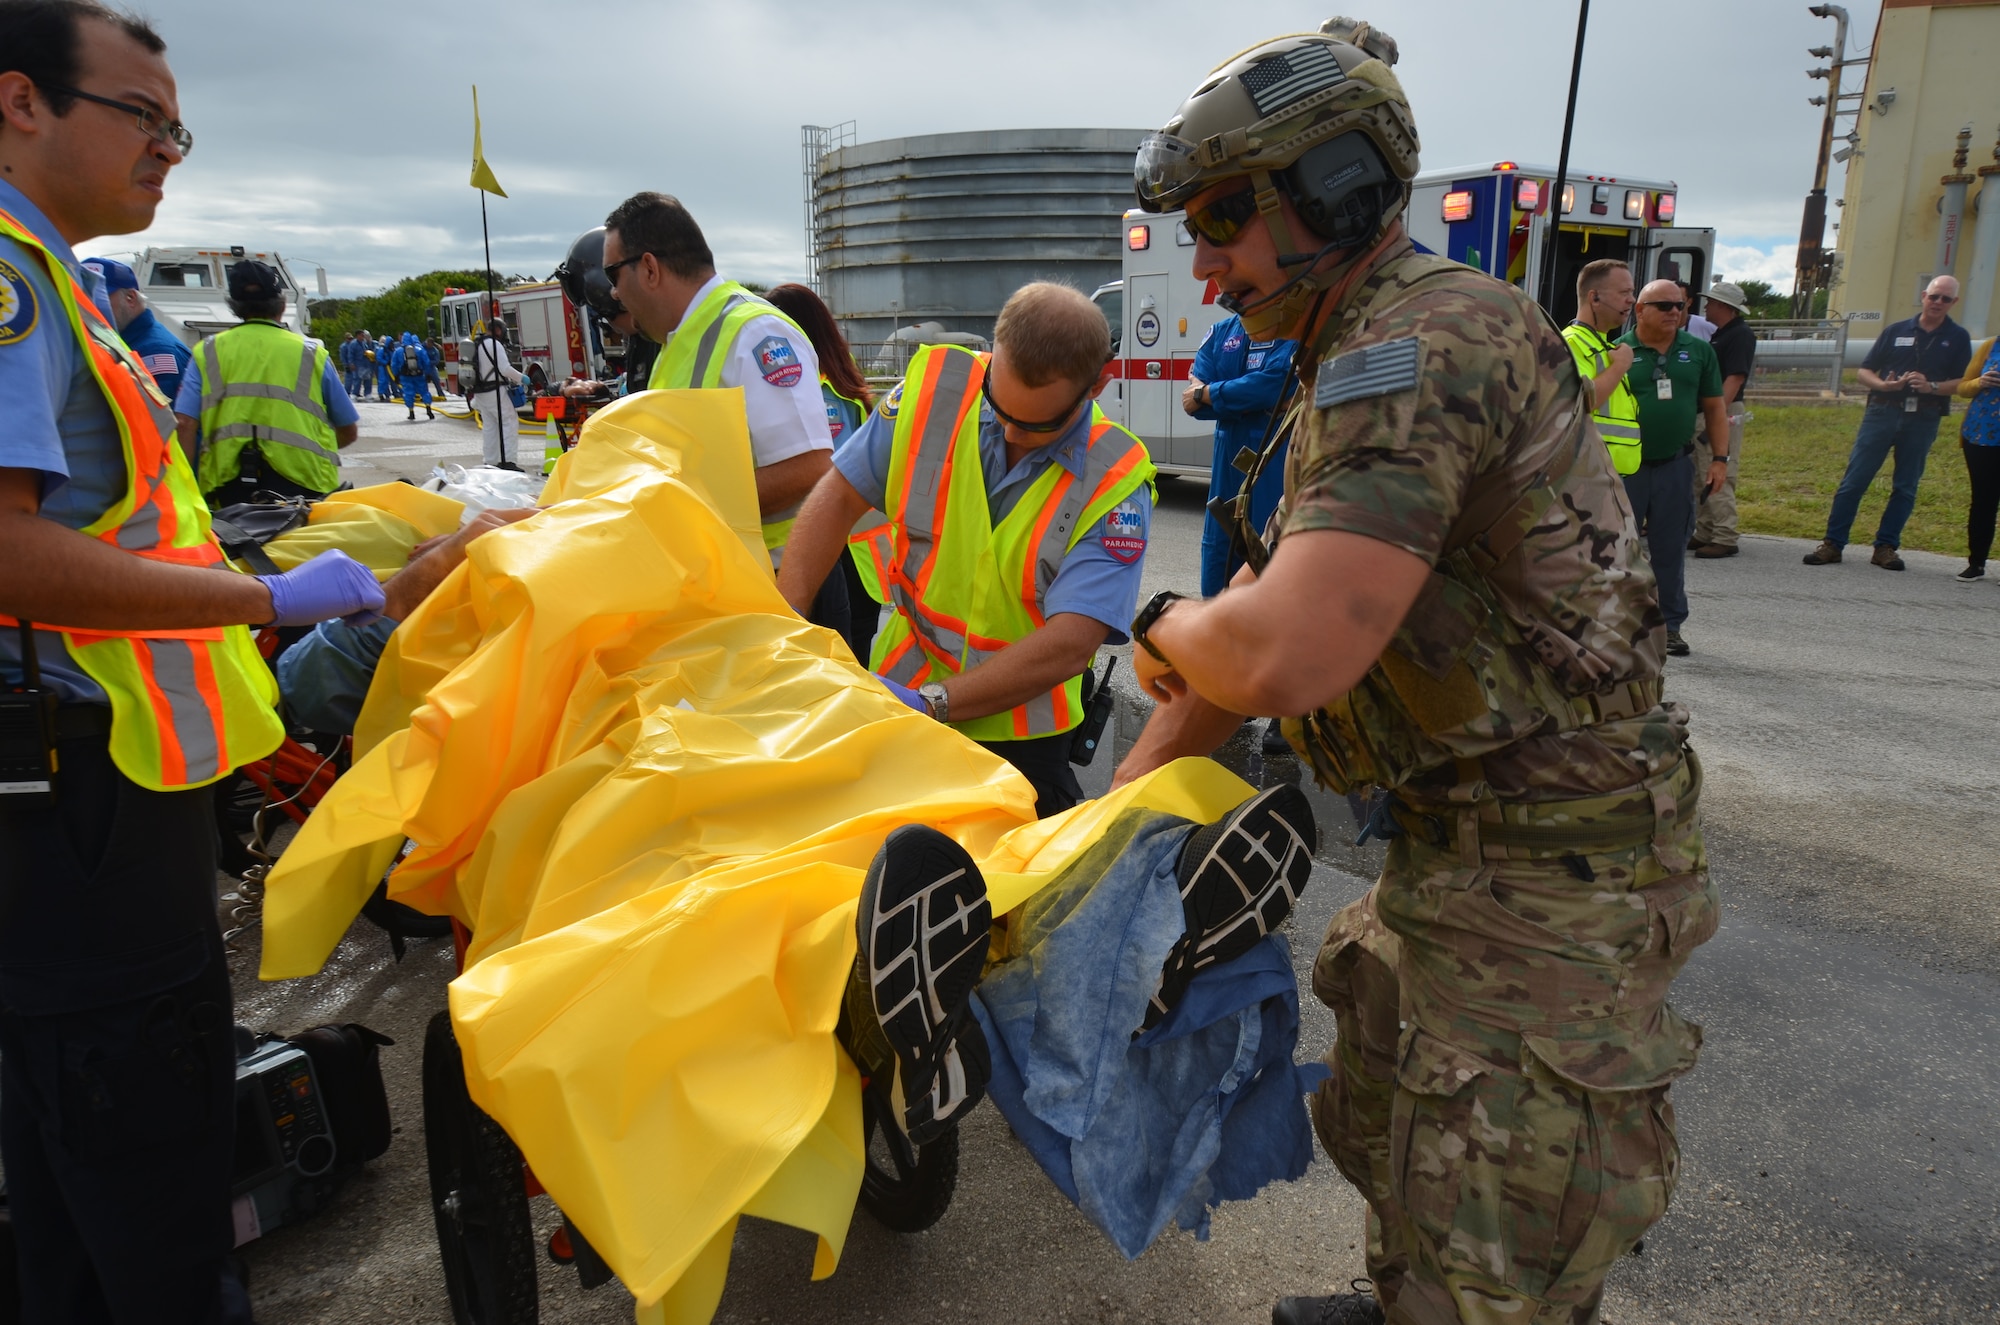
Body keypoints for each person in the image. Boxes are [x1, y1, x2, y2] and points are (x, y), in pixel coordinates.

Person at [1115, 18, 1717, 1323]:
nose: (1202, 260)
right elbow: (1262, 638)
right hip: (1463, 843)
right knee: (1397, 1118)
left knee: (1500, 1216)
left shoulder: (1422, 345)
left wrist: (1159, 617)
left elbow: (1280, 644)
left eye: (1223, 216)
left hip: (1556, 868)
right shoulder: (1352, 348)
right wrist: (1110, 825)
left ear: (1332, 192)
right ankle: (1404, 1295)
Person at [0, 5, 386, 1320]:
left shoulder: (60, 290)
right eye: (144, 116)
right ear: (22, 103)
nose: (171, 149)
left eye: (182, 127)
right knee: (157, 1190)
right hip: (83, 807)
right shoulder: (10, 285)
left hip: (90, 796)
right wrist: (259, 599)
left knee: (69, 1190)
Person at [777, 281, 1156, 819]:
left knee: (1018, 887)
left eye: (1037, 424)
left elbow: (1072, 641)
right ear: (993, 356)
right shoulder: (938, 391)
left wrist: (939, 702)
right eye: (997, 405)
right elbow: (837, 496)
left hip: (1019, 738)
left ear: (1099, 384)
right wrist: (786, 622)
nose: (1007, 431)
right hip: (901, 694)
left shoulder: (1115, 481)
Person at [601, 192, 845, 630]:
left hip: (782, 588)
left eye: (613, 275)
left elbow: (810, 466)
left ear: (650, 268)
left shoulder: (754, 333)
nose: (614, 292)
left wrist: (681, 509)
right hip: (727, 584)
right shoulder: (677, 344)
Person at [1803, 275, 1974, 571]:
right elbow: (1864, 371)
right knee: (1854, 481)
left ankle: (1885, 547)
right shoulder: (1896, 330)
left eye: (1945, 299)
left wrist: (1931, 386)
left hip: (1923, 416)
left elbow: (1962, 381)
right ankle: (1832, 544)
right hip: (1882, 411)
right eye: (1934, 296)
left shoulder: (1958, 338)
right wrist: (1884, 385)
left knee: (1906, 485)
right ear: (1923, 295)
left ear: (1954, 302)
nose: (1938, 303)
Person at [763, 280, 884, 663]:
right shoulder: (847, 388)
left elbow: (829, 474)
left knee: (838, 658)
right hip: (858, 551)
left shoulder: (825, 395)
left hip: (834, 546)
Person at [172, 257, 358, 503]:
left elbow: (184, 423)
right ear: (281, 305)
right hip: (304, 488)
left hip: (227, 487)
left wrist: (186, 489)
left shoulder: (206, 351)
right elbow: (348, 430)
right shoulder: (311, 353)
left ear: (234, 306)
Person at [1619, 277, 1729, 656]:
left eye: (1679, 306)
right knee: (1619, 550)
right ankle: (1620, 624)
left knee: (1670, 550)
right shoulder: (1618, 350)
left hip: (1675, 467)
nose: (1674, 312)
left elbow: (1715, 407)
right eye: (1664, 306)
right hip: (1624, 470)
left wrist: (1719, 459)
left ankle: (1669, 626)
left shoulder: (1698, 351)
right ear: (1640, 311)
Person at [1185, 310, 1296, 597]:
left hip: (1275, 457)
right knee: (1218, 559)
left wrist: (1210, 394)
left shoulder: (1291, 326)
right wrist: (1253, 399)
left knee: (1269, 554)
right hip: (1227, 464)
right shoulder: (1221, 332)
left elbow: (1279, 382)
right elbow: (1193, 404)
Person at [1690, 280, 1756, 559]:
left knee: (1718, 472)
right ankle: (1705, 531)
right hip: (1713, 408)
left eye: (1711, 302)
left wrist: (1714, 413)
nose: (1706, 306)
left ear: (1724, 307)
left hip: (1722, 409)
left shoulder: (1740, 335)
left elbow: (1735, 377)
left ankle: (1725, 535)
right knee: (1701, 471)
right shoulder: (1724, 334)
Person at [1559, 258, 1642, 477]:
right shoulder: (1571, 343)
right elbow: (1582, 400)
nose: (1632, 300)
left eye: (1632, 292)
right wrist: (1621, 366)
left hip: (1607, 476)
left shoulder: (1604, 345)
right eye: (1624, 292)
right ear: (1594, 298)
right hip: (1584, 478)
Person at [82, 253, 188, 398]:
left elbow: (161, 418)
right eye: (82, 300)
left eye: (99, 299)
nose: (88, 307)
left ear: (130, 298)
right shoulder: (122, 342)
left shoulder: (155, 353)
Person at [1952, 328, 2000, 582]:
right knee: (1983, 501)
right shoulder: (1990, 346)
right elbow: (1962, 388)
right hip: (1982, 435)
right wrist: (1980, 382)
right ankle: (1977, 563)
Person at [468, 320, 525, 468]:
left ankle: (490, 461)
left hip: (480, 393)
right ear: (498, 330)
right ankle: (508, 461)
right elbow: (505, 369)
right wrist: (522, 378)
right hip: (495, 391)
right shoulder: (495, 344)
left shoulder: (477, 343)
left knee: (490, 426)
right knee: (509, 422)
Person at [392, 329, 434, 420]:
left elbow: (394, 364)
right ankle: (428, 409)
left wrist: (396, 375)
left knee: (408, 393)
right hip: (419, 375)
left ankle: (411, 412)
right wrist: (428, 374)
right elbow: (426, 362)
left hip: (405, 376)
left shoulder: (398, 351)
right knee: (424, 392)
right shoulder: (419, 350)